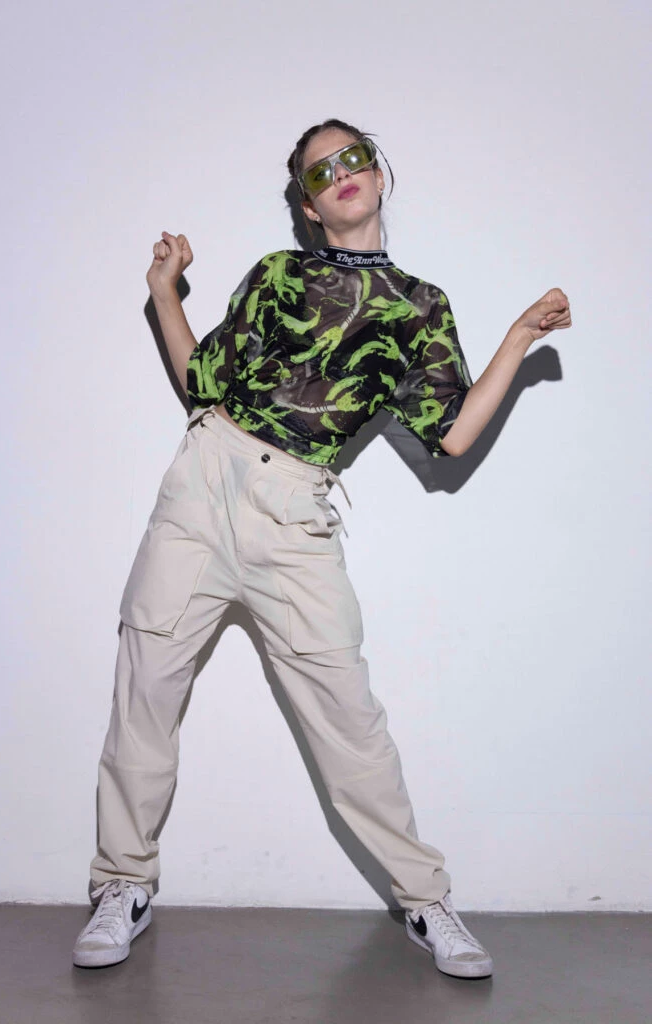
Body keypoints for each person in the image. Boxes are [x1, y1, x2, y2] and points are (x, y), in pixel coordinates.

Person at [72, 118, 572, 979]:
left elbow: (451, 436)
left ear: (377, 174)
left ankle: (424, 899)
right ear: (308, 206)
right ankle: (122, 884)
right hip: (202, 487)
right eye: (318, 171)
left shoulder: (419, 306)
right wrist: (163, 292)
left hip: (295, 514)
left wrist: (519, 337)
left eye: (352, 157)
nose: (339, 172)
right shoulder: (277, 274)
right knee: (144, 693)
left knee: (348, 720)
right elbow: (202, 382)